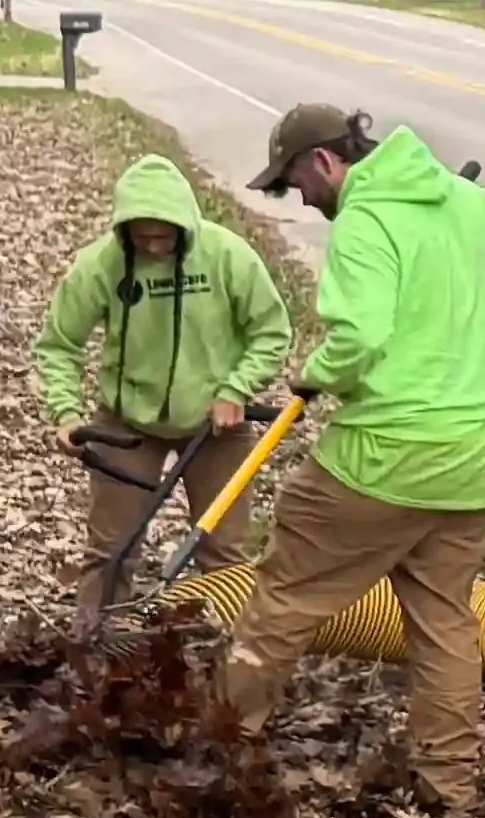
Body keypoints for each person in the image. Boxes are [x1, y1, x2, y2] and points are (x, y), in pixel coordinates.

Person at [214, 103, 485, 816]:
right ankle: (450, 788)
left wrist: (317, 372)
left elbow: (361, 338)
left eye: (294, 183)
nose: (304, 200)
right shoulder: (463, 200)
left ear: (324, 161)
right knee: (444, 623)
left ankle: (218, 754)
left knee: (283, 598)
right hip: (469, 461)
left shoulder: (367, 221)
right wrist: (472, 221)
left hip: (380, 459)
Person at [32, 153, 293, 599]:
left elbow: (272, 332)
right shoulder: (100, 265)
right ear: (124, 229)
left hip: (218, 426)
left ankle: (218, 655)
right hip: (127, 425)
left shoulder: (227, 256)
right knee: (109, 552)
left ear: (184, 224)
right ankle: (99, 648)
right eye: (142, 237)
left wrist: (237, 388)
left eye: (163, 237)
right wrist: (66, 413)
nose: (153, 247)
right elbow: (59, 345)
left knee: (223, 555)